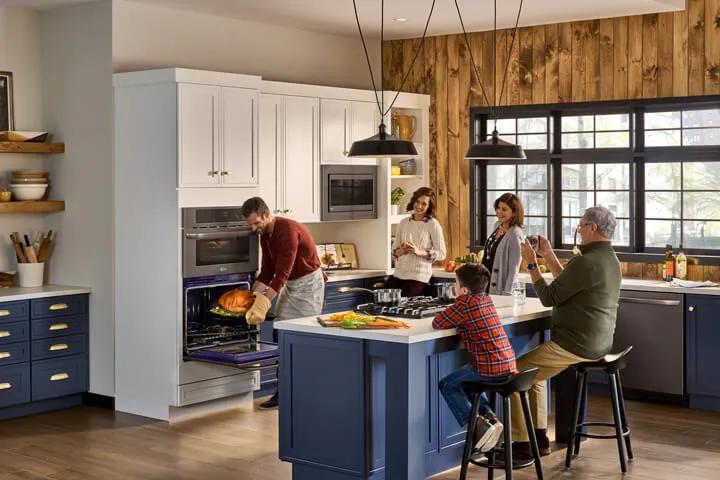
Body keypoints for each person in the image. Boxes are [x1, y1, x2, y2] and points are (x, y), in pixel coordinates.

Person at [509, 206, 622, 458]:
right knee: (534, 377)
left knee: (515, 375)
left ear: (593, 228)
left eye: (580, 226)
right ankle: (538, 438)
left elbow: (549, 297)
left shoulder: (586, 261)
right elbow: (567, 284)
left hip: (574, 344)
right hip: (598, 342)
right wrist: (547, 255)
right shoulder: (607, 258)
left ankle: (521, 445)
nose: (578, 231)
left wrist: (530, 262)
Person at [242, 197, 326, 410]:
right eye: (250, 224)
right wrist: (249, 297)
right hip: (291, 285)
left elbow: (282, 273)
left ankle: (305, 392)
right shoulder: (266, 235)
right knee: (282, 335)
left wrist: (262, 303)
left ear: (267, 215)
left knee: (300, 339)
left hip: (308, 285)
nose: (254, 228)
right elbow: (268, 271)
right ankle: (285, 393)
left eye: (256, 223)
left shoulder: (287, 231)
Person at [432, 263, 517, 453]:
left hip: (488, 369)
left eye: (455, 283)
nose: (453, 286)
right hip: (508, 365)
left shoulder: (464, 303)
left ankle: (479, 423)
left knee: (447, 384)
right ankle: (490, 419)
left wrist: (454, 304)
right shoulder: (486, 299)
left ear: (464, 289)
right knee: (468, 382)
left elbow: (437, 323)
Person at [390, 187, 447, 297]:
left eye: (424, 204)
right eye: (417, 202)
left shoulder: (432, 224)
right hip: (398, 276)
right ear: (413, 201)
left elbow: (442, 253)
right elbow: (394, 251)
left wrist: (419, 252)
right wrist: (402, 250)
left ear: (429, 206)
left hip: (418, 279)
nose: (419, 206)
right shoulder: (404, 222)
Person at [482, 192, 525, 295]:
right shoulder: (497, 225)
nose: (499, 212)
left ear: (514, 213)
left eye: (504, 209)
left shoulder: (515, 234)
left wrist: (507, 295)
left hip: (500, 289)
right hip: (485, 286)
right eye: (498, 208)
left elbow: (513, 270)